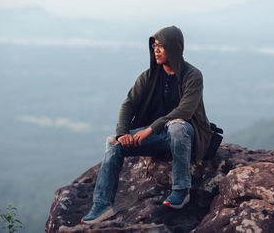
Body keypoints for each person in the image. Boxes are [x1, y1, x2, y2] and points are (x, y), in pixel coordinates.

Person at [81, 25, 212, 224]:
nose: (156, 50)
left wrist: (150, 128)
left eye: (162, 46)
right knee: (114, 144)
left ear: (175, 48)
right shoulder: (149, 76)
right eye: (155, 46)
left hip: (185, 135)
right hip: (158, 137)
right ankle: (102, 204)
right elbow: (129, 104)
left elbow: (186, 110)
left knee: (176, 125)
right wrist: (122, 133)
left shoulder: (193, 75)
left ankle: (181, 190)